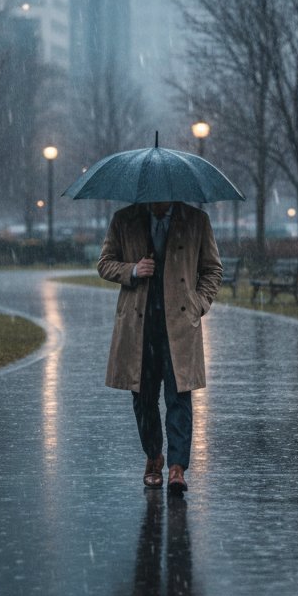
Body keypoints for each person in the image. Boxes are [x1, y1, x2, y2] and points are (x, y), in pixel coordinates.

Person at [98, 200, 223, 495]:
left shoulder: (196, 221)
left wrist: (198, 304)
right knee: (143, 397)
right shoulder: (123, 219)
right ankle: (154, 457)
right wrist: (132, 269)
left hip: (178, 325)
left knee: (179, 396)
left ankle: (177, 467)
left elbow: (212, 270)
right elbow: (104, 263)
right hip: (139, 325)